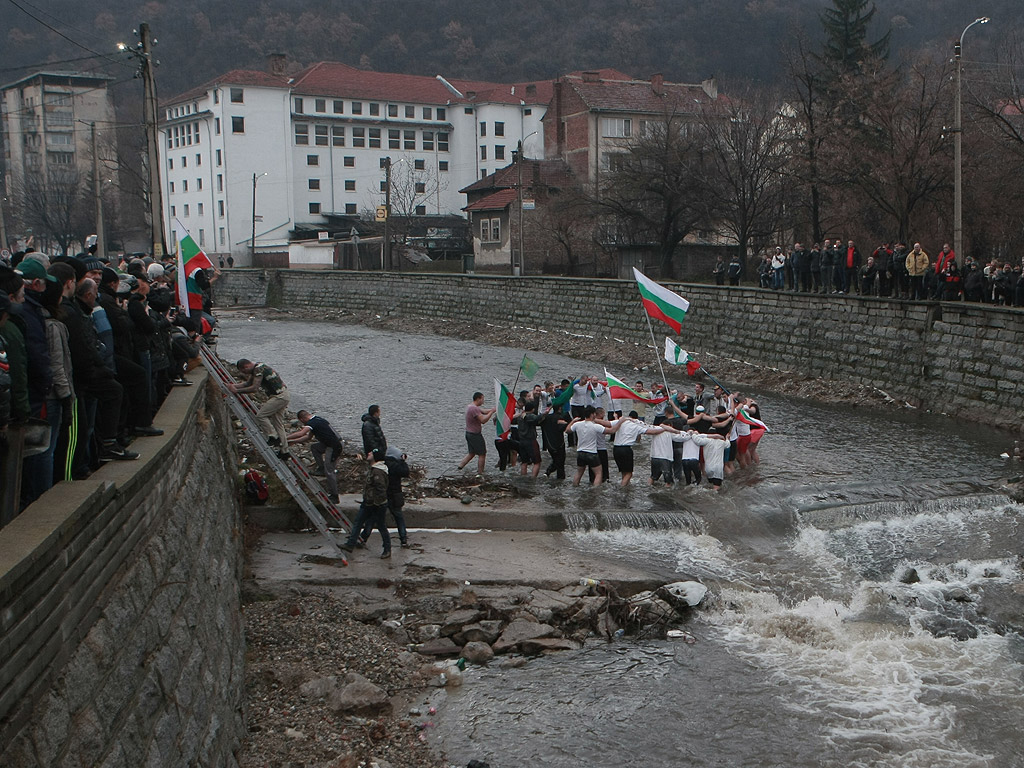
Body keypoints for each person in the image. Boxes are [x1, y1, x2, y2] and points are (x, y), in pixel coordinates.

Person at [228, 359, 290, 458]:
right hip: (283, 395)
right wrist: (233, 386)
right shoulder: (258, 368)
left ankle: (273, 436)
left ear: (246, 366)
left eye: (244, 371)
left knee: (261, 415)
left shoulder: (258, 369)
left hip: (279, 396)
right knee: (278, 423)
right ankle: (285, 452)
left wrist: (237, 391)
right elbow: (247, 384)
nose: (244, 373)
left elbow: (254, 388)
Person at [342, 452, 391, 559]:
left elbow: (381, 490)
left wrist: (376, 503)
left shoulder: (377, 472)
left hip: (375, 505)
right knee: (358, 522)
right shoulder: (374, 469)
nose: (368, 453)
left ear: (376, 458)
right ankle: (350, 544)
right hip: (368, 502)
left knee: (381, 526)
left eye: (371, 453)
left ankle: (387, 549)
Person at [287, 409, 343, 503]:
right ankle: (320, 468)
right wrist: (292, 442)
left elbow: (301, 433)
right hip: (330, 443)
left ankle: (334, 495)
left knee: (329, 471)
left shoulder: (313, 422)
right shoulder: (318, 420)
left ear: (303, 418)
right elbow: (307, 437)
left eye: (302, 422)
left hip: (334, 446)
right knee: (315, 447)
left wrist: (285, 437)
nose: (303, 425)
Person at [610, 410, 670, 487]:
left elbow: (610, 423)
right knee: (629, 473)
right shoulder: (636, 426)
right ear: (637, 419)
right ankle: (622, 488)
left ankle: (625, 485)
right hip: (626, 450)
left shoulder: (621, 422)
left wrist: (616, 417)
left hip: (616, 449)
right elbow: (652, 432)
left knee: (624, 471)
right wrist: (664, 429)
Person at [566, 406, 610, 487]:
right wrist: (620, 422)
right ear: (593, 414)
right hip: (592, 453)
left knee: (579, 473)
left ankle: (575, 487)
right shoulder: (595, 426)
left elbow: (567, 430)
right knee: (598, 473)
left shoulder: (578, 424)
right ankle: (595, 491)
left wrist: (573, 421)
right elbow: (611, 431)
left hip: (580, 452)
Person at [458, 392, 495, 473]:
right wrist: (491, 413)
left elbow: (484, 411)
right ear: (478, 399)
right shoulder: (474, 409)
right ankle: (480, 473)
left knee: (472, 453)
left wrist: (494, 409)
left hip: (468, 433)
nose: (483, 401)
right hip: (475, 435)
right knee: (482, 454)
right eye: (482, 399)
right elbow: (483, 420)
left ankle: (459, 467)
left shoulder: (471, 406)